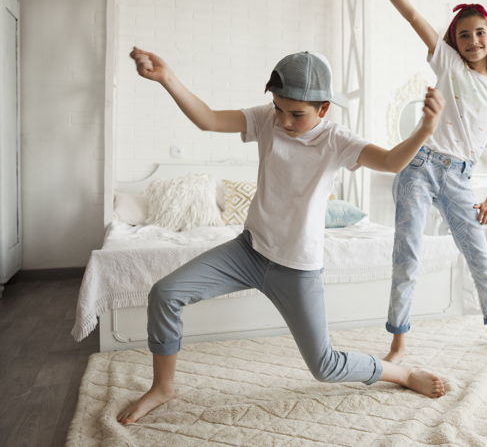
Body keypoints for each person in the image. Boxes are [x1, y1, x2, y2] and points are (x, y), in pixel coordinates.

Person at [117, 47, 446, 425]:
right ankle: (163, 387)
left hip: (297, 269)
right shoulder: (266, 121)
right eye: (278, 108)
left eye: (296, 113)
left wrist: (424, 129)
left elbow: (389, 162)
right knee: (166, 293)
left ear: (323, 109)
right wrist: (167, 78)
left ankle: (402, 373)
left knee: (325, 366)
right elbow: (207, 119)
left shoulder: (337, 140)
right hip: (248, 251)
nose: (284, 121)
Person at [337, 0, 487, 363]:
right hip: (420, 166)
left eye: (479, 32)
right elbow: (413, 16)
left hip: (462, 179)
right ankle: (398, 341)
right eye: (463, 34)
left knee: (479, 256)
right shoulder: (448, 65)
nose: (472, 40)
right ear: (454, 41)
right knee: (407, 252)